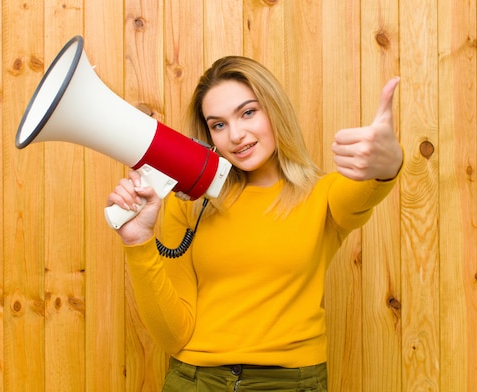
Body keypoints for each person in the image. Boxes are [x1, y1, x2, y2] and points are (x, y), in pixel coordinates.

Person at [107, 56, 403, 391]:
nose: (236, 135)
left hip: (289, 383)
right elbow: (173, 335)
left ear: (274, 110)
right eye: (218, 125)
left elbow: (370, 186)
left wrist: (390, 160)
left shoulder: (324, 196)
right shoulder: (190, 205)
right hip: (194, 379)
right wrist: (139, 241)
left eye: (248, 112)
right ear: (209, 137)